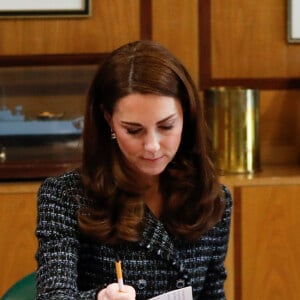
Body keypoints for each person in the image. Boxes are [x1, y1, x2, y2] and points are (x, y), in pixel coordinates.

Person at [35, 40, 232, 300]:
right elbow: (53, 296)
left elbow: (212, 294)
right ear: (109, 121)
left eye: (166, 126)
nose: (152, 146)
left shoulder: (212, 198)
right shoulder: (65, 196)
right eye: (133, 130)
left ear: (186, 115)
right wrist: (99, 299)